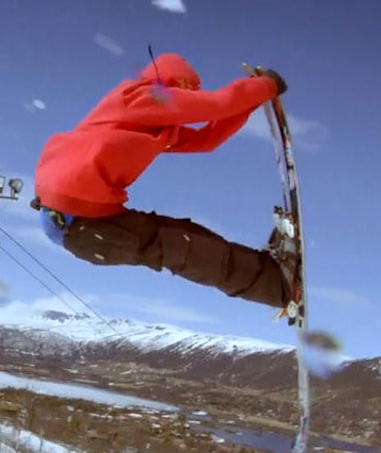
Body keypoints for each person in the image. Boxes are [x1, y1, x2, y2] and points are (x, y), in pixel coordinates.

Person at [31, 52, 297, 309]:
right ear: (174, 83)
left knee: (182, 234)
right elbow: (216, 104)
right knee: (179, 248)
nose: (188, 99)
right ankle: (279, 285)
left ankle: (266, 271)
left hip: (80, 216)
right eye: (188, 92)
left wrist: (251, 101)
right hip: (78, 220)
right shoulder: (142, 97)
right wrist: (267, 85)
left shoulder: (149, 123)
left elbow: (206, 140)